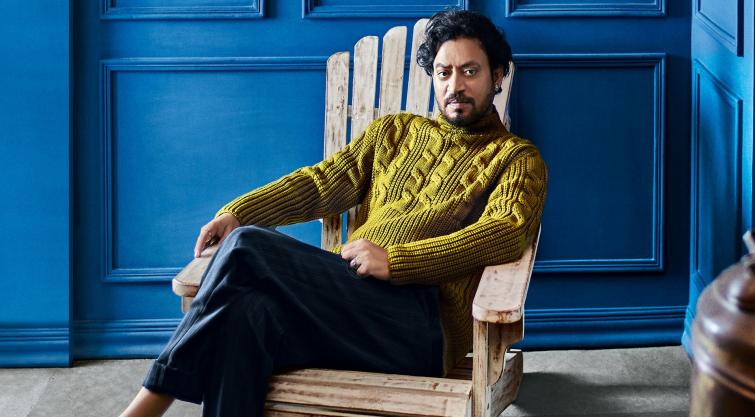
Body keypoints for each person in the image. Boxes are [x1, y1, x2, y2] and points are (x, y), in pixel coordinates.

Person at [120, 9, 547, 417]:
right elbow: (322, 182)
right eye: (443, 72)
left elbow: (504, 232)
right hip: (347, 296)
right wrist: (239, 212)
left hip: (418, 325)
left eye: (469, 71)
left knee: (247, 245)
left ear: (497, 75)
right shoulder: (394, 132)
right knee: (245, 314)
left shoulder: (515, 158)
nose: (455, 85)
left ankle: (147, 405)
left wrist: (397, 261)